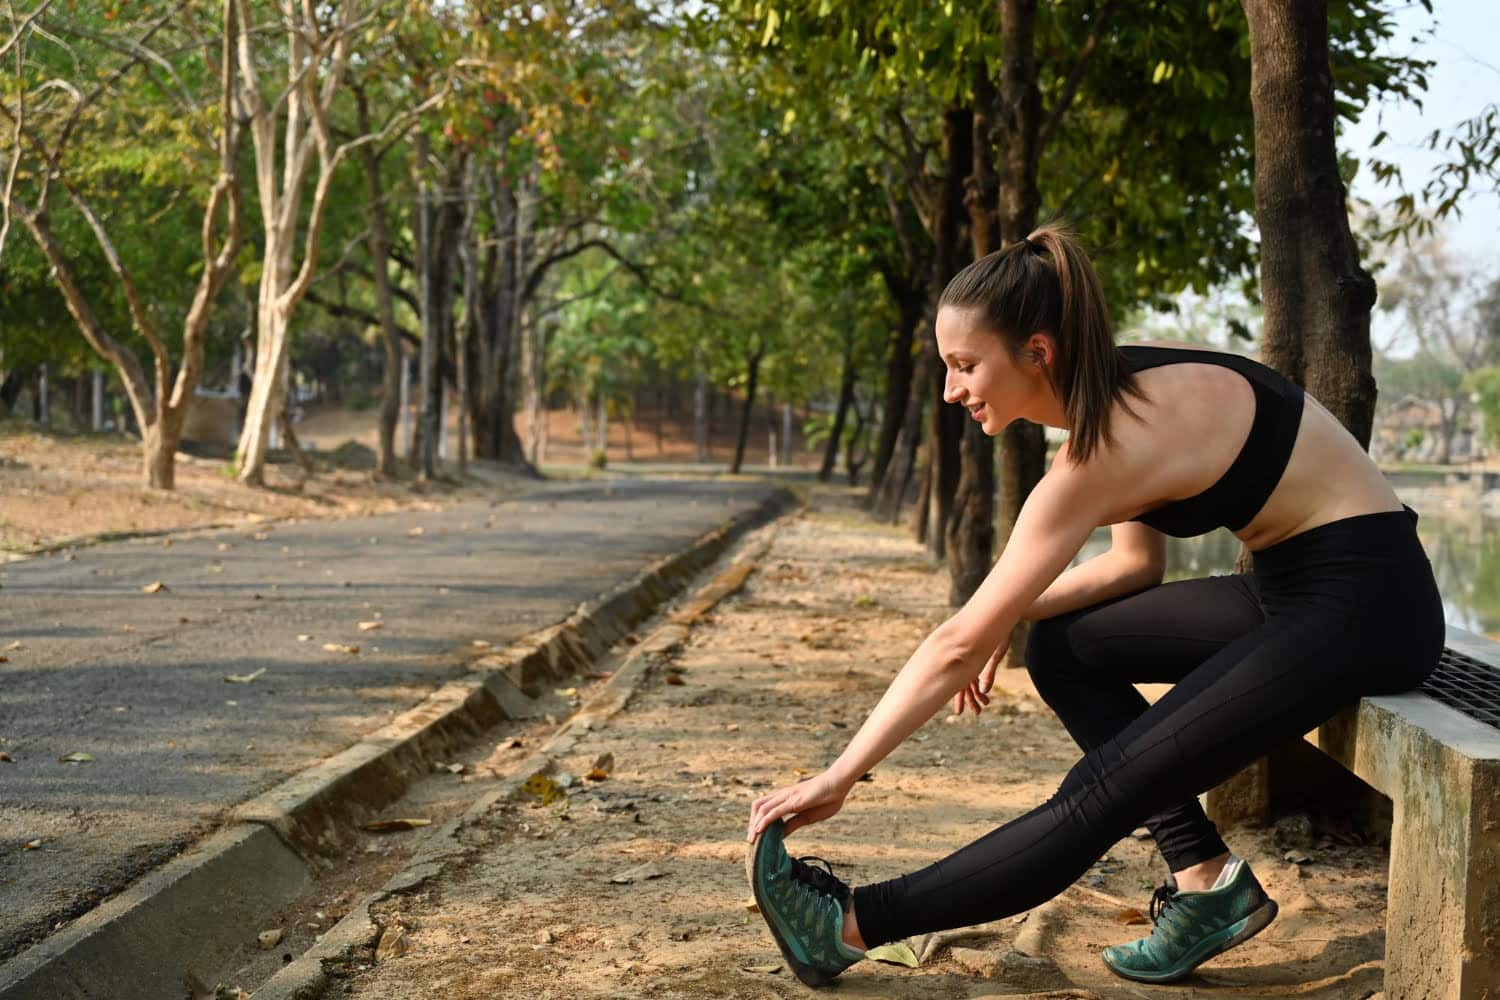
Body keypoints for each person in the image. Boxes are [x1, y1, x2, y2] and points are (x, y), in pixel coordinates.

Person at [744, 225, 1444, 988]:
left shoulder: (1106, 444)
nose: (951, 390)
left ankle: (847, 926)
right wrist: (1016, 614)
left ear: (1038, 352)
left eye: (966, 366)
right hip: (1290, 586)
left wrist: (841, 776)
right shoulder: (1116, 388)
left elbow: (954, 644)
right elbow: (1135, 566)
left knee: (1102, 791)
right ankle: (1206, 881)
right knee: (1061, 644)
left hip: (1370, 606)